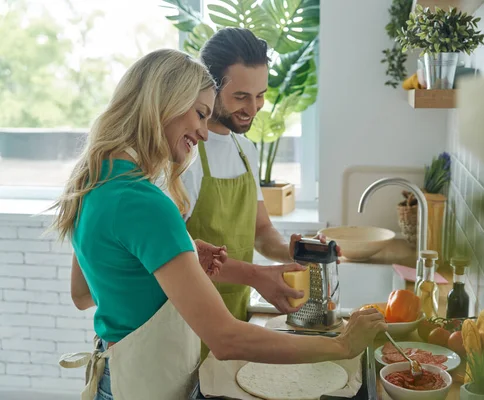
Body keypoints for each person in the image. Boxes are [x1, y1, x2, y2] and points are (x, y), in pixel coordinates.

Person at [49, 49, 386, 400]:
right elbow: (226, 338)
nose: (205, 133)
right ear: (164, 100)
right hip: (148, 386)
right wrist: (344, 346)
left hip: (114, 379)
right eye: (199, 114)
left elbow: (85, 293)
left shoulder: (95, 182)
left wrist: (182, 255)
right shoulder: (145, 204)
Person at [177, 27, 336, 331]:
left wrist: (294, 248)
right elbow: (177, 255)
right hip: (187, 320)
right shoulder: (186, 154)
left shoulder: (244, 148)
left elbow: (261, 231)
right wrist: (257, 275)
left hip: (234, 316)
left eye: (260, 96)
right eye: (241, 97)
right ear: (208, 87)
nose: (253, 109)